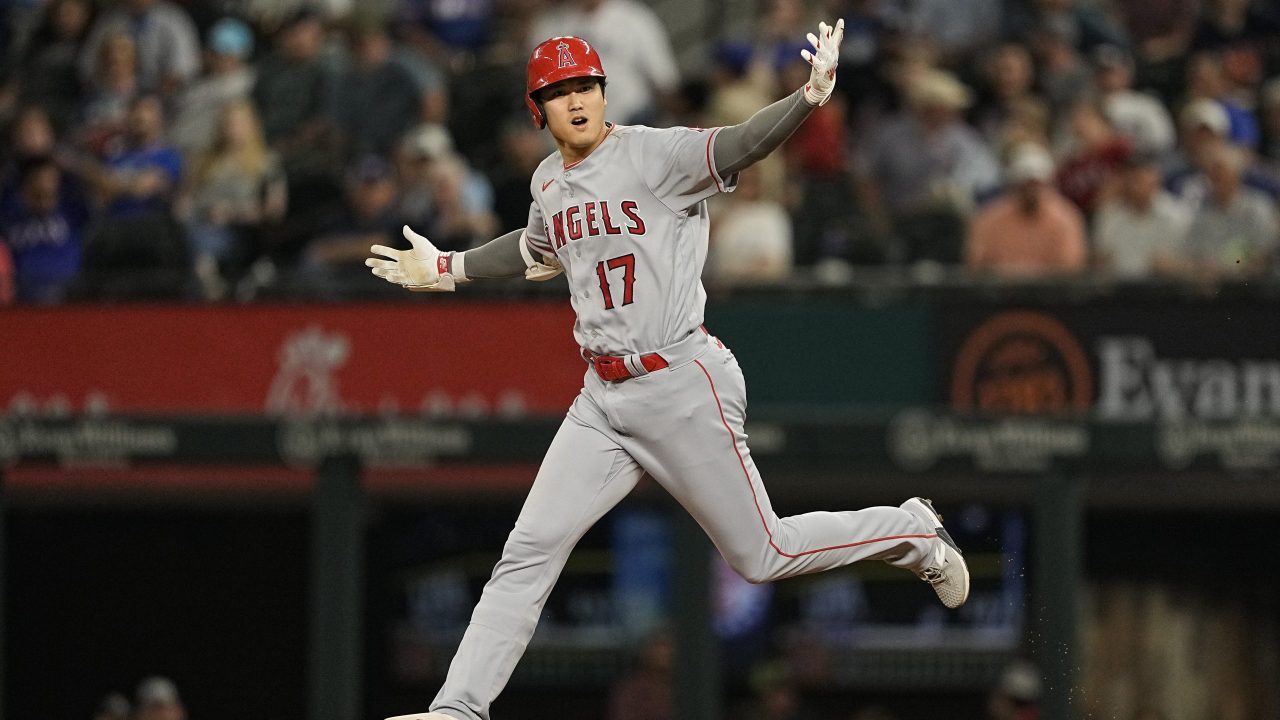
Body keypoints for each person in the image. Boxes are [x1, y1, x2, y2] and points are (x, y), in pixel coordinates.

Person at [368, 24, 969, 720]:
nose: (576, 100)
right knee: (528, 550)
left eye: (584, 85)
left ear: (603, 89)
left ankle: (913, 533)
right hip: (602, 396)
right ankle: (457, 711)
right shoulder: (548, 182)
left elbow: (741, 141)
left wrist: (806, 98)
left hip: (681, 380)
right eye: (557, 92)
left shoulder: (655, 154)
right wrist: (450, 268)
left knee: (762, 554)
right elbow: (535, 249)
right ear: (539, 110)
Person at [966, 142, 1088, 277]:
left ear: (1047, 184)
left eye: (1035, 184)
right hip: (999, 294)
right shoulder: (990, 219)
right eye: (1024, 184)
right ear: (1014, 184)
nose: (1030, 191)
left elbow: (1069, 269)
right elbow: (977, 266)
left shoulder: (1065, 219)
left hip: (1050, 295)